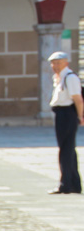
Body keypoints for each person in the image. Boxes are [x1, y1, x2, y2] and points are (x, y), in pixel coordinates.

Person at [47, 51, 83, 194]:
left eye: (59, 63)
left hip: (67, 114)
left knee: (66, 150)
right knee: (68, 149)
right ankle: (74, 184)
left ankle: (65, 184)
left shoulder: (70, 77)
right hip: (62, 114)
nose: (55, 66)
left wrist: (80, 116)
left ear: (66, 63)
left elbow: (78, 99)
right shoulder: (59, 78)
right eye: (53, 63)